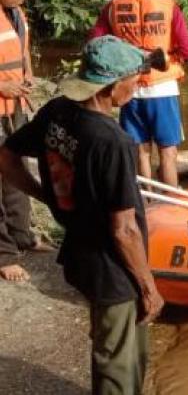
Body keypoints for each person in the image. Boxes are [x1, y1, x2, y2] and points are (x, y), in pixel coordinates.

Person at [0, 35, 164, 393]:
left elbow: (6, 156)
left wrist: (46, 196)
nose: (135, 89)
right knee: (116, 363)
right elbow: (124, 231)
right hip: (113, 266)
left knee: (123, 348)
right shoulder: (113, 141)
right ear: (112, 85)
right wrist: (149, 287)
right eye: (133, 81)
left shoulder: (59, 111)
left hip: (81, 251)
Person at [88, 0, 188, 188]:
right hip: (163, 88)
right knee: (168, 152)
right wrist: (167, 55)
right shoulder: (169, 7)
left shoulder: (113, 7)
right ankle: (173, 205)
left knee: (141, 151)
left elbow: (95, 44)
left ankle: (147, 205)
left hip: (129, 89)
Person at [0, 0, 53, 283]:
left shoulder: (16, 14)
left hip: (13, 110)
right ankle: (3, 254)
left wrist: (27, 82)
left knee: (16, 171)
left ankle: (22, 234)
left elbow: (21, 55)